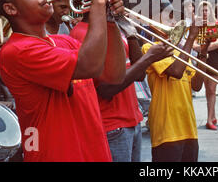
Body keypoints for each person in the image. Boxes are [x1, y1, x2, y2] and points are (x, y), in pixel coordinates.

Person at [0, 0, 127, 162]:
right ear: (11, 9)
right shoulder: (16, 50)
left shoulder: (63, 41)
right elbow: (89, 65)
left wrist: (109, 18)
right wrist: (98, 2)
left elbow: (114, 76)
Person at [70, 11, 173, 162]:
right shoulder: (82, 33)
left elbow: (139, 74)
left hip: (131, 120)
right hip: (112, 126)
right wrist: (149, 57)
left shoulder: (113, 27)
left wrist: (131, 35)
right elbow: (105, 88)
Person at [141, 0, 206, 162]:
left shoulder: (180, 50)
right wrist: (191, 38)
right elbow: (176, 71)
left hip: (188, 126)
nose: (174, 21)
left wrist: (204, 53)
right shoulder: (151, 48)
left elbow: (197, 86)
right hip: (167, 128)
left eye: (174, 17)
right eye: (169, 16)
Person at [192, 1, 218, 130]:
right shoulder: (197, 26)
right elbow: (193, 44)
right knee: (207, 89)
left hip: (214, 58)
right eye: (202, 11)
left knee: (211, 89)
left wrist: (203, 49)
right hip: (201, 58)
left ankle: (209, 119)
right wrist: (202, 49)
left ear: (211, 11)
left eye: (207, 10)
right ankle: (213, 115)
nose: (205, 13)